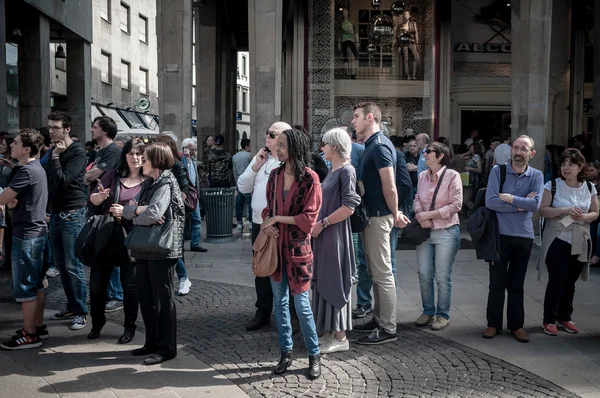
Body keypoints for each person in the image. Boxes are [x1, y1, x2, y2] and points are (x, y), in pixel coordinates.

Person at [111, 142, 185, 365]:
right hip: (145, 247)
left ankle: (166, 348)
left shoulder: (165, 182)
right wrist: (137, 209)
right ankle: (151, 342)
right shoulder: (151, 182)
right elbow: (140, 207)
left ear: (157, 161)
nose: (141, 161)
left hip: (162, 248)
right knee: (146, 298)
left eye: (146, 158)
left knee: (162, 301)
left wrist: (129, 211)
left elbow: (153, 213)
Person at [260, 127, 322, 379]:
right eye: (277, 144)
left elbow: (308, 220)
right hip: (276, 250)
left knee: (302, 307)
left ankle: (314, 354)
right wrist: (269, 222)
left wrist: (276, 218)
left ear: (295, 148)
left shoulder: (310, 178)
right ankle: (285, 353)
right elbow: (267, 210)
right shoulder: (274, 175)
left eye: (283, 144)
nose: (277, 148)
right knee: (280, 304)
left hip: (298, 252)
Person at [350, 101, 409, 345]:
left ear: (370, 117)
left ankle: (388, 328)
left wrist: (395, 213)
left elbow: (390, 186)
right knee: (375, 272)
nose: (353, 121)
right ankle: (379, 318)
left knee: (383, 274)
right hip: (371, 217)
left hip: (378, 217)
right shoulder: (372, 145)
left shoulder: (380, 146)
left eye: (356, 117)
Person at [483, 135, 544, 343]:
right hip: (499, 236)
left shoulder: (536, 175)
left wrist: (508, 198)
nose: (518, 152)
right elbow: (490, 201)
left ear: (531, 153)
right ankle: (493, 324)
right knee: (496, 282)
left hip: (524, 236)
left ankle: (516, 325)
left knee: (517, 284)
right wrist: (519, 205)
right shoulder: (497, 171)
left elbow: (535, 205)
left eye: (524, 149)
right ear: (511, 150)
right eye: (516, 148)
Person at [238, 122, 298, 332]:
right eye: (268, 133)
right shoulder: (261, 158)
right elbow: (243, 187)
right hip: (259, 223)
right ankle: (262, 311)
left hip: (281, 225)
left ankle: (292, 314)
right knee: (261, 269)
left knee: (286, 270)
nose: (268, 137)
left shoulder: (289, 162)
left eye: (273, 134)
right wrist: (256, 165)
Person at [88, 139, 146, 344]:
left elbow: (152, 210)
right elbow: (93, 198)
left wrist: (130, 211)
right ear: (125, 156)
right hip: (107, 234)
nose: (135, 157)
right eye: (131, 153)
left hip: (132, 237)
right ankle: (97, 322)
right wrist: (99, 198)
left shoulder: (148, 180)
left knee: (130, 286)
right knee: (96, 285)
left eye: (139, 154)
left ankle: (129, 326)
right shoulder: (113, 175)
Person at [538, 148, 598, 336]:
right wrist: (564, 210)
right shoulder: (553, 185)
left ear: (580, 167)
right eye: (563, 164)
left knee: (570, 281)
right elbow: (543, 210)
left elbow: (596, 213)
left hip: (580, 239)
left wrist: (584, 216)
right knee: (557, 278)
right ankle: (549, 319)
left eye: (570, 164)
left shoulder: (589, 187)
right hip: (557, 238)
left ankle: (565, 316)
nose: (566, 168)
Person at [311, 128, 360, 354]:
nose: (322, 148)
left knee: (335, 281)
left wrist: (323, 224)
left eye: (325, 144)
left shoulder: (346, 171)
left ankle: (341, 337)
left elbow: (349, 207)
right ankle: (331, 331)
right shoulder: (333, 171)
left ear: (335, 147)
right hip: (325, 235)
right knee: (326, 279)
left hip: (335, 235)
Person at [0, 129, 48, 350]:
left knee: (27, 286)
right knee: (36, 283)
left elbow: (4, 199)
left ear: (27, 148)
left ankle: (30, 334)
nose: (11, 145)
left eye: (16, 142)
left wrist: (9, 198)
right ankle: (36, 328)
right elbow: (12, 201)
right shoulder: (33, 168)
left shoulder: (27, 171)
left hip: (27, 235)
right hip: (34, 233)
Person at [46, 111, 89, 330]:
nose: (51, 131)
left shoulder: (77, 152)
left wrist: (54, 158)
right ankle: (72, 305)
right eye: (50, 127)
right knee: (61, 266)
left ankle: (81, 311)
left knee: (73, 266)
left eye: (55, 128)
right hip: (56, 213)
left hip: (72, 214)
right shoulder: (53, 149)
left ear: (67, 129)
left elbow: (63, 181)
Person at [413, 142, 462, 331]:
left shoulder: (452, 176)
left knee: (442, 275)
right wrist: (419, 215)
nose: (424, 154)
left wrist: (429, 215)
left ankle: (443, 314)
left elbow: (456, 205)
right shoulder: (422, 176)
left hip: (446, 230)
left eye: (428, 151)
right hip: (425, 231)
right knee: (424, 274)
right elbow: (417, 199)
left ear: (440, 156)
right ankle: (428, 311)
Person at [155, 134, 192, 296]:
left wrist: (170, 206)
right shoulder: (156, 166)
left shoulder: (176, 166)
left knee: (173, 246)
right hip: (158, 213)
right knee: (166, 247)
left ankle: (184, 278)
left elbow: (184, 190)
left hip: (173, 214)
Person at [181, 137, 207, 252]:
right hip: (185, 194)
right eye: (191, 150)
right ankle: (180, 245)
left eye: (195, 150)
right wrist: (185, 158)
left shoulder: (194, 161)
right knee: (182, 220)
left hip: (193, 194)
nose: (193, 152)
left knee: (197, 219)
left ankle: (195, 243)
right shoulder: (182, 161)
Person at [232, 138, 252, 232]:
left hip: (239, 181)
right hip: (248, 181)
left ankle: (239, 222)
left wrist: (237, 184)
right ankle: (251, 222)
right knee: (250, 203)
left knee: (239, 203)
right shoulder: (250, 156)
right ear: (247, 146)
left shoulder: (235, 156)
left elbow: (234, 172)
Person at [462, 142, 483, 208]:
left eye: (471, 147)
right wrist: (467, 153)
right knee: (468, 198)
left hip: (472, 180)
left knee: (466, 200)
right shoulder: (471, 157)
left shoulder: (477, 157)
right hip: (467, 180)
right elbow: (461, 157)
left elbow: (480, 170)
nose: (469, 148)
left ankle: (475, 211)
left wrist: (470, 168)